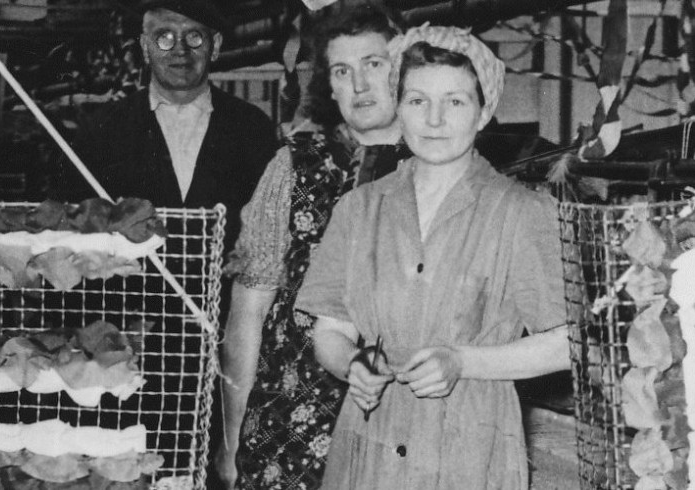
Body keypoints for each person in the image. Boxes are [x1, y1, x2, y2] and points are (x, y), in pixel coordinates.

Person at [295, 24, 571, 490]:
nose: (434, 119)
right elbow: (332, 329)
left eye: (456, 102)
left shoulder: (523, 212)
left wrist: (463, 362)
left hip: (471, 449)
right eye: (417, 101)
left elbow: (567, 343)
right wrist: (352, 365)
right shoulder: (360, 208)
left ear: (483, 114)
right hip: (371, 444)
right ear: (399, 107)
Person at [217, 10, 407, 490]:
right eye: (343, 72)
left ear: (405, 67)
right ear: (330, 86)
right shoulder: (295, 167)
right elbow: (247, 316)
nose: (360, 84)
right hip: (291, 430)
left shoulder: (442, 169)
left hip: (408, 420)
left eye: (375, 65)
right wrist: (232, 436)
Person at [63, 0, 278, 254]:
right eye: (164, 37)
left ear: (215, 45)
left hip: (228, 292)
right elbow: (74, 230)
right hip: (134, 292)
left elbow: (271, 228)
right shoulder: (101, 128)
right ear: (144, 47)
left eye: (194, 36)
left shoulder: (253, 127)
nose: (180, 49)